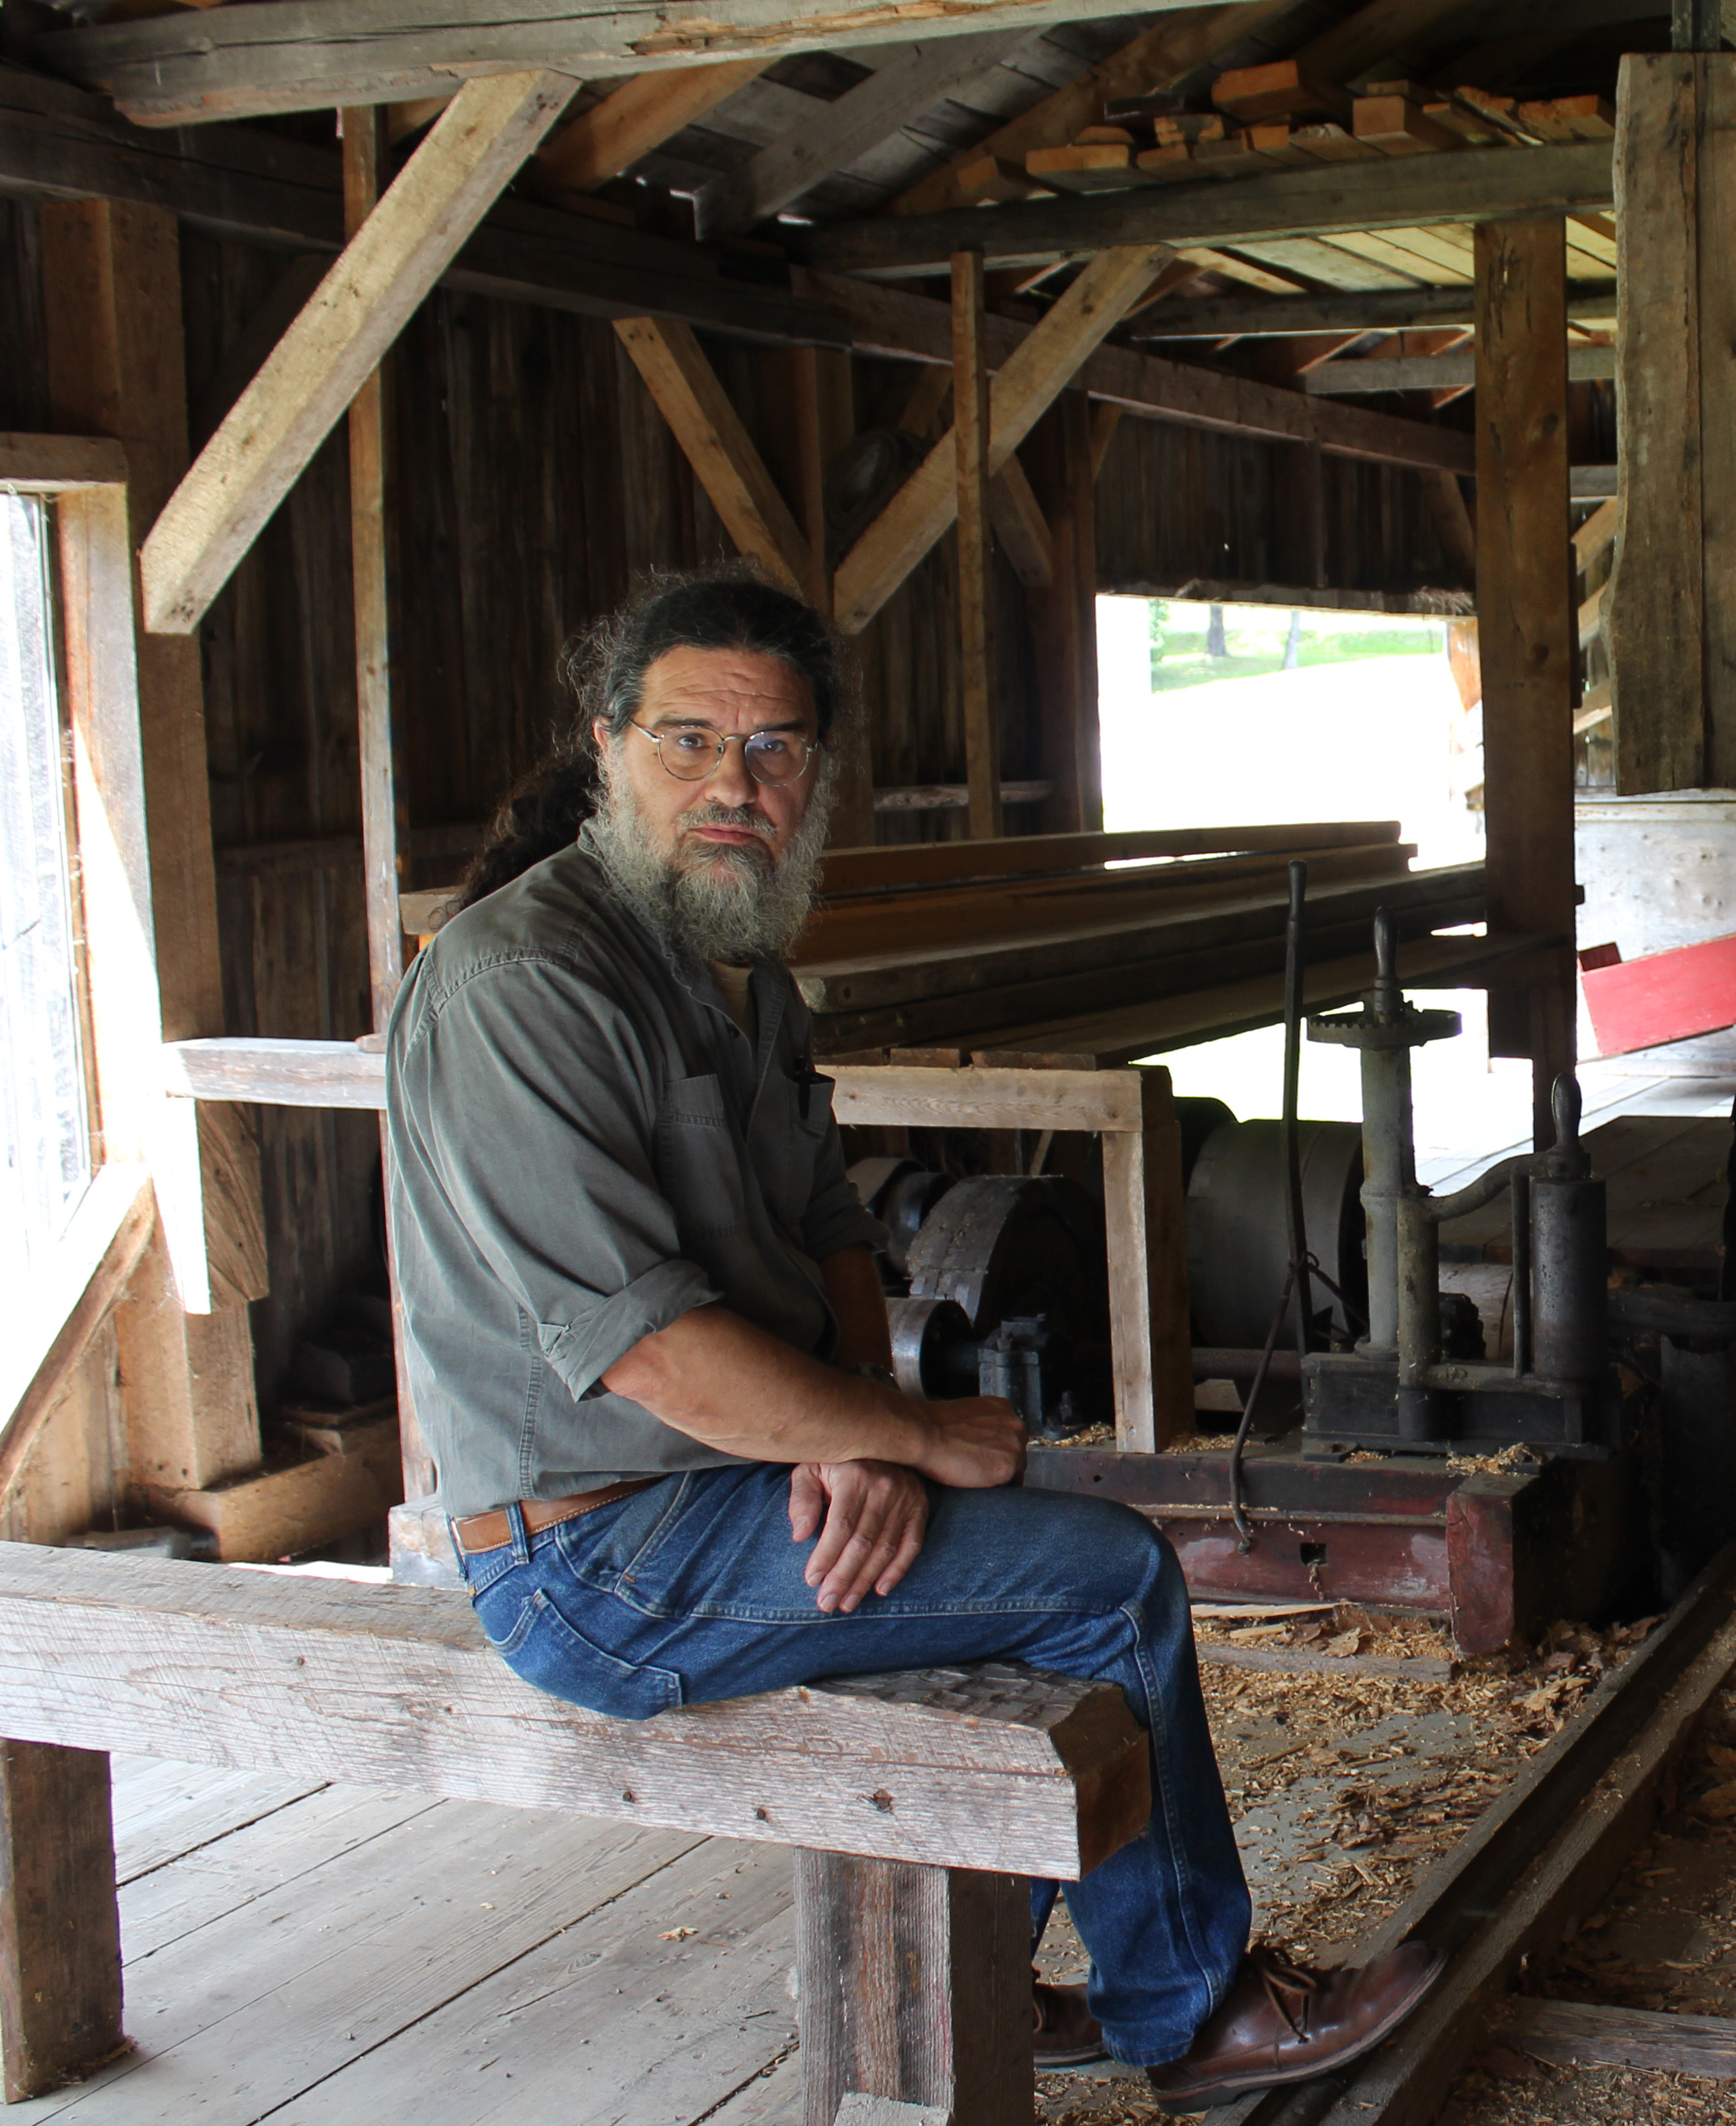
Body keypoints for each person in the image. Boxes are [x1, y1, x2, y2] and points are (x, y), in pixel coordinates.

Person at [382, 572, 1438, 2110]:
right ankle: (1193, 2016)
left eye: (775, 748)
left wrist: (864, 1423)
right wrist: (905, 1439)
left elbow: (829, 1232)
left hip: (731, 1492)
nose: (733, 783)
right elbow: (650, 1356)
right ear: (606, 744)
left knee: (1021, 1569)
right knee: (1105, 1583)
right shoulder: (520, 982)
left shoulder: (740, 965)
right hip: (593, 1552)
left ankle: (973, 1976)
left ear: (815, 773)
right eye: (688, 739)